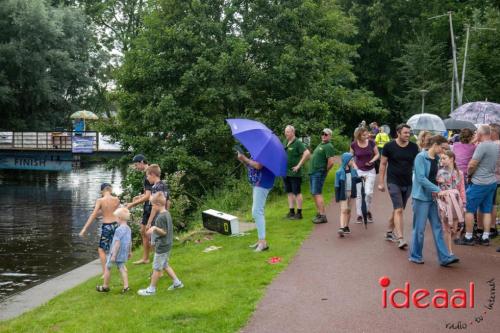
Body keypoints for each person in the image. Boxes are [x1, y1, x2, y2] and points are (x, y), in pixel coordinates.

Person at [408, 135, 459, 266]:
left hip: (433, 198)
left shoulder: (437, 159)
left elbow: (438, 176)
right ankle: (415, 255)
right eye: (442, 148)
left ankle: (444, 257)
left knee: (437, 227)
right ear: (435, 144)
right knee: (419, 229)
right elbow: (420, 178)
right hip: (421, 198)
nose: (443, 151)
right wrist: (438, 190)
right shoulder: (420, 157)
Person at [378, 124, 419, 249]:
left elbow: (417, 165)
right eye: (405, 133)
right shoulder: (389, 146)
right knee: (399, 209)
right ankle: (400, 238)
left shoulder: (413, 147)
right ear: (398, 133)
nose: (408, 135)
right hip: (393, 181)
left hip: (408, 183)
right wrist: (381, 182)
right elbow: (383, 164)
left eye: (409, 133)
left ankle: (389, 232)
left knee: (398, 208)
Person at [457, 125, 499, 246]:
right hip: (491, 181)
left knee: (469, 209)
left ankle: (468, 236)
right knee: (486, 210)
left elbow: (472, 164)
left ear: (480, 135)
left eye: (477, 134)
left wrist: (469, 174)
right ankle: (485, 237)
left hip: (480, 182)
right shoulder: (495, 146)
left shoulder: (482, 146)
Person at [138, 194, 183, 296]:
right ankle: (177, 283)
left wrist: (154, 229)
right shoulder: (167, 213)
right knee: (164, 265)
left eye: (152, 205)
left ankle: (151, 290)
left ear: (158, 204)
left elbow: (164, 232)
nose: (152, 207)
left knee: (157, 267)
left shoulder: (160, 218)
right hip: (168, 244)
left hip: (162, 246)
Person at [237, 151, 275, 251]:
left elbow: (258, 166)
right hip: (258, 182)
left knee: (257, 212)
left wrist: (245, 159)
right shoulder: (257, 150)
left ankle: (263, 243)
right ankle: (260, 241)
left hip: (263, 182)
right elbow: (252, 166)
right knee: (257, 211)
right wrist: (243, 160)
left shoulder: (264, 151)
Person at [79, 183, 120, 274]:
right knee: (115, 247)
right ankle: (120, 268)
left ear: (102, 191)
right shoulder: (116, 199)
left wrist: (84, 228)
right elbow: (115, 212)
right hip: (116, 225)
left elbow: (94, 214)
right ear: (110, 190)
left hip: (107, 226)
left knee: (101, 249)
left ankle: (105, 272)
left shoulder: (100, 200)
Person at [436, 150, 466, 256]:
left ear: (452, 159)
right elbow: (438, 188)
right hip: (444, 203)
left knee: (454, 228)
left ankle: (448, 248)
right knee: (447, 228)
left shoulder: (459, 173)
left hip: (456, 203)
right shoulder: (440, 172)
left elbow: (462, 188)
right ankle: (448, 251)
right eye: (441, 158)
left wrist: (464, 202)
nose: (442, 160)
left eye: (444, 158)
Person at [96, 207, 132, 293]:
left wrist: (114, 255)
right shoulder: (128, 229)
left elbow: (117, 243)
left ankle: (105, 286)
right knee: (122, 267)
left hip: (115, 252)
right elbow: (130, 241)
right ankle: (126, 287)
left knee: (108, 267)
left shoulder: (118, 230)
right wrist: (130, 251)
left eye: (116, 217)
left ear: (119, 218)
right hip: (124, 252)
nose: (115, 219)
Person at [126, 154, 153, 264]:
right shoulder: (151, 172)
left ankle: (150, 258)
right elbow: (149, 193)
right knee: (144, 232)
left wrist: (132, 205)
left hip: (150, 207)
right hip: (150, 205)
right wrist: (140, 196)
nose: (136, 167)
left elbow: (148, 196)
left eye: (137, 165)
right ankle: (146, 258)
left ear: (142, 162)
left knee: (147, 232)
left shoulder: (148, 175)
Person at [350, 127, 379, 223]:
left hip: (370, 170)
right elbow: (351, 157)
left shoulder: (371, 143)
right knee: (359, 194)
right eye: (364, 135)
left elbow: (377, 154)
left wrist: (372, 161)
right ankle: (359, 215)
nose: (366, 136)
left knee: (368, 193)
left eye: (367, 134)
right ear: (358, 135)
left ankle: (366, 211)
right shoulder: (354, 145)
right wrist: (355, 167)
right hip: (359, 171)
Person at [283, 125, 310, 220]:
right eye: (285, 132)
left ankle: (299, 213)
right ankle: (291, 212)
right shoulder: (285, 142)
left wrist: (299, 165)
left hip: (294, 173)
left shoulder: (298, 142)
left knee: (297, 192)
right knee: (289, 192)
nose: (286, 133)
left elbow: (307, 153)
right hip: (285, 172)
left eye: (288, 132)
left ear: (293, 132)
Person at [309, 129, 335, 224]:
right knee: (314, 193)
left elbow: (331, 162)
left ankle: (323, 216)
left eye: (326, 134)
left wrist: (325, 171)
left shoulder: (328, 146)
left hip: (318, 172)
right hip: (313, 172)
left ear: (330, 136)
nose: (323, 135)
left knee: (317, 193)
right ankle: (319, 213)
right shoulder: (321, 144)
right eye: (322, 133)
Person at [335, 153, 361, 237]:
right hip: (343, 194)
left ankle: (346, 226)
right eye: (351, 160)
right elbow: (336, 185)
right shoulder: (339, 172)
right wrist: (337, 196)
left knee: (349, 210)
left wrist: (361, 179)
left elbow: (355, 180)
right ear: (346, 160)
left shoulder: (353, 171)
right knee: (344, 210)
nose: (353, 161)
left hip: (352, 193)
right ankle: (341, 228)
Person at [144, 164, 171, 229]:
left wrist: (149, 222)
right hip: (163, 215)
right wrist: (166, 214)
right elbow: (168, 201)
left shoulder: (155, 187)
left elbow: (155, 206)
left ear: (152, 174)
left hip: (157, 218)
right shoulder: (164, 184)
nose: (147, 178)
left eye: (147, 176)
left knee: (154, 237)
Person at [488, 123, 500, 241]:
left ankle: (492, 227)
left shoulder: (494, 145)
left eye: (490, 131)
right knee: (494, 204)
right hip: (496, 178)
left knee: (492, 204)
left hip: (493, 178)